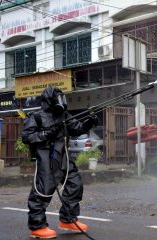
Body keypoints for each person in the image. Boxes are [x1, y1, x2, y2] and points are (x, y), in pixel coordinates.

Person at [22, 86, 98, 239]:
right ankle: (37, 227)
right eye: (58, 98)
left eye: (62, 98)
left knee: (75, 184)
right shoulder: (37, 117)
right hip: (46, 156)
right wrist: (45, 134)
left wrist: (89, 123)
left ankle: (68, 219)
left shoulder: (63, 115)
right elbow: (27, 137)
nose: (61, 101)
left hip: (64, 155)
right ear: (49, 100)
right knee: (43, 190)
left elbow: (77, 129)